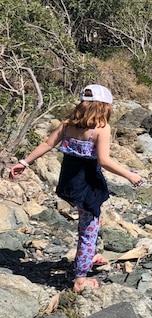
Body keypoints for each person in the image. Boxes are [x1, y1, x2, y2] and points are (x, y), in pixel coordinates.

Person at [8, 84, 143, 292]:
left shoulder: (67, 124)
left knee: (89, 219)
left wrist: (24, 163)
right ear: (104, 107)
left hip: (68, 183)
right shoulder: (101, 129)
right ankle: (81, 279)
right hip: (88, 185)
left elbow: (47, 143)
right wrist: (130, 175)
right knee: (89, 229)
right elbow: (104, 160)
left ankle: (89, 256)